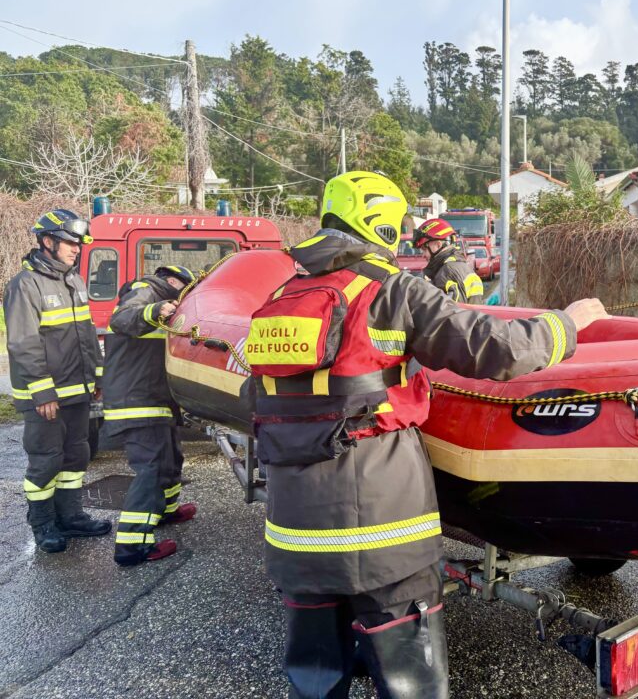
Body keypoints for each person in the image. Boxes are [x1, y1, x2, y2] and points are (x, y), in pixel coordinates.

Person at [246, 171, 607, 698]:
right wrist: (565, 326)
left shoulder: (279, 299)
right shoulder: (391, 291)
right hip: (379, 530)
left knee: (317, 676)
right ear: (385, 224)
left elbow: (257, 400)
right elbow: (493, 348)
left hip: (295, 537)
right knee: (410, 679)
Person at [3, 209, 110, 553]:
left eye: (77, 243)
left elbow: (87, 335)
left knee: (75, 455)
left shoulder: (73, 280)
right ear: (47, 242)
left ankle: (71, 517)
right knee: (46, 459)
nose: (75, 248)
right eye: (68, 242)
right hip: (44, 397)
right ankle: (44, 525)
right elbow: (23, 343)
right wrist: (43, 392)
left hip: (77, 391)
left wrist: (97, 375)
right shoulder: (25, 284)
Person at [104, 265, 198, 566]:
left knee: (171, 459)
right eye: (186, 288)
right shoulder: (145, 290)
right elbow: (122, 319)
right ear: (172, 281)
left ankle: (166, 511)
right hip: (138, 399)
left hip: (156, 399)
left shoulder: (168, 303)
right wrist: (155, 309)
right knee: (152, 469)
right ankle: (133, 546)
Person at [413, 217, 485, 303]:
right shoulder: (461, 265)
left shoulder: (447, 272)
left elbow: (450, 314)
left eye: (424, 249)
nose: (423, 255)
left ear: (438, 245)